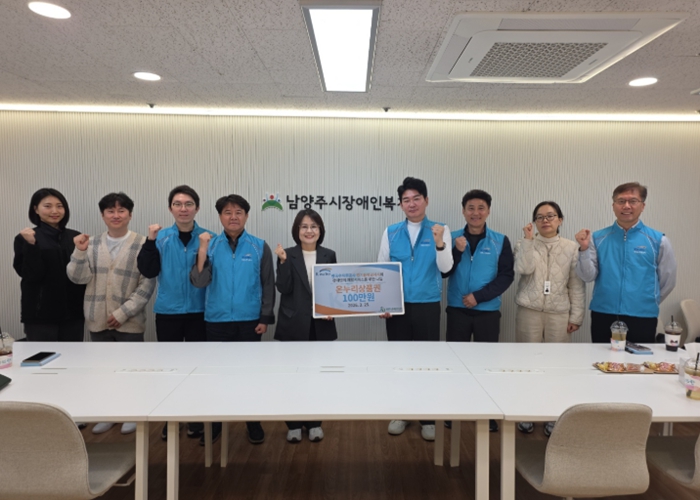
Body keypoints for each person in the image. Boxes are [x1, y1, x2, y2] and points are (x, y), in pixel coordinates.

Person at [66, 192, 155, 435]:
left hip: (130, 320)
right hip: (97, 318)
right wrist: (79, 252)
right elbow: (77, 278)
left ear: (130, 215)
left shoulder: (142, 243)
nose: (116, 215)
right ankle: (108, 413)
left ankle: (132, 414)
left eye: (121, 210)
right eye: (110, 211)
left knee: (131, 370)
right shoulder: (90, 243)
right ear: (103, 215)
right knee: (103, 371)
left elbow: (147, 284)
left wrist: (124, 312)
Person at [190, 194, 275, 445]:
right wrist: (202, 250)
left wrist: (265, 317)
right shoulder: (210, 245)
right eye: (227, 212)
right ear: (220, 217)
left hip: (250, 320)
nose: (233, 217)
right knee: (217, 376)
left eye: (238, 212)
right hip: (216, 320)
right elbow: (199, 281)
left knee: (250, 374)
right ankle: (216, 424)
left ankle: (253, 422)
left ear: (246, 216)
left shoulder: (259, 246)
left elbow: (268, 284)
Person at [377, 176, 453, 442]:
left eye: (416, 198)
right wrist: (383, 303)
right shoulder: (391, 232)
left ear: (426, 200)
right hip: (397, 308)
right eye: (406, 200)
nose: (411, 204)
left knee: (427, 363)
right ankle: (401, 412)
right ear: (400, 204)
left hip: (427, 304)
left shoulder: (440, 229)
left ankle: (428, 417)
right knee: (399, 362)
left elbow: (446, 268)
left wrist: (440, 243)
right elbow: (382, 268)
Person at [137, 185, 214, 443]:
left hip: (200, 312)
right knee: (170, 370)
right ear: (170, 208)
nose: (183, 209)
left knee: (197, 369)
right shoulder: (159, 238)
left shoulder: (209, 237)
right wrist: (149, 241)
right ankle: (170, 419)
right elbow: (147, 270)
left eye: (188, 204)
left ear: (197, 208)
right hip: (168, 312)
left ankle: (195, 419)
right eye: (178, 204)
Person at [444, 189, 514, 432]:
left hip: (487, 311)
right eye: (470, 208)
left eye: (481, 208)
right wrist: (456, 251)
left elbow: (506, 276)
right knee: (457, 364)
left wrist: (478, 297)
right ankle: (454, 410)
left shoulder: (500, 240)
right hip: (457, 310)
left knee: (486, 365)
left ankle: (488, 413)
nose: (476, 213)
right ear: (463, 211)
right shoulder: (451, 237)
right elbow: (444, 271)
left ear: (488, 211)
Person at [514, 201, 585, 437]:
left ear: (560, 220)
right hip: (529, 310)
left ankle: (554, 415)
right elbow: (523, 269)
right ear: (534, 221)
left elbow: (576, 285)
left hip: (559, 313)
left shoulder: (571, 248)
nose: (545, 220)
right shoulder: (524, 243)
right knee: (526, 365)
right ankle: (526, 413)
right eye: (540, 217)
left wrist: (576, 316)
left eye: (550, 216)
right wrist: (528, 241)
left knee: (557, 367)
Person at [576, 182, 676, 344]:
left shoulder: (659, 240)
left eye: (633, 201)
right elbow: (587, 276)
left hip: (642, 316)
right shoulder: (597, 238)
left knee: (639, 359)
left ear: (643, 206)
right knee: (601, 358)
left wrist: (647, 301)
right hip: (603, 313)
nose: (627, 206)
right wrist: (584, 249)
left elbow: (668, 280)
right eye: (621, 201)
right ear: (613, 206)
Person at [274, 208, 338, 443]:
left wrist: (332, 310)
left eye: (313, 226)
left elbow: (333, 289)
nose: (309, 231)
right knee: (292, 376)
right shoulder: (287, 254)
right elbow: (284, 288)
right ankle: (292, 424)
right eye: (304, 227)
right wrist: (282, 262)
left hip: (321, 325)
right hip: (293, 324)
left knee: (319, 377)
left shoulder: (329, 254)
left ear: (320, 230)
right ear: (297, 230)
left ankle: (314, 423)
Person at [13, 188, 86, 341]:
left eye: (59, 206)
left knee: (73, 355)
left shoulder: (75, 237)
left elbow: (83, 274)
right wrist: (31, 245)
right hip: (40, 315)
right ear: (36, 209)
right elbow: (31, 275)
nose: (55, 211)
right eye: (47, 206)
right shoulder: (25, 238)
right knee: (43, 356)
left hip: (73, 313)